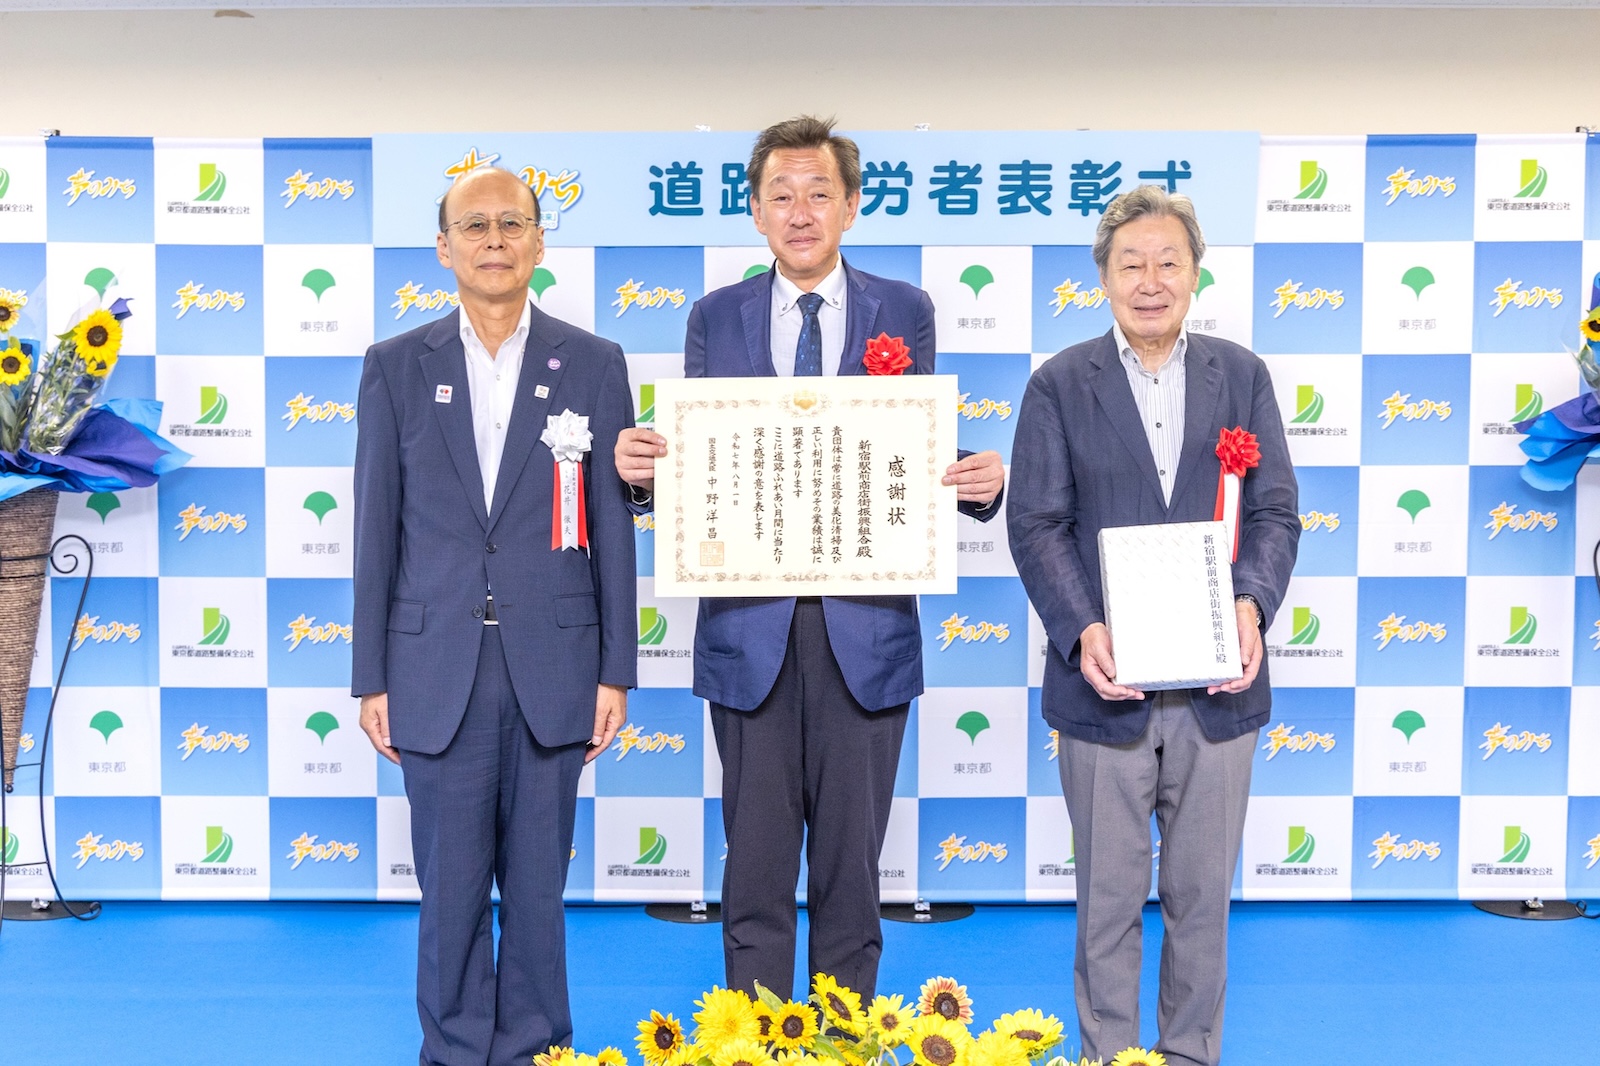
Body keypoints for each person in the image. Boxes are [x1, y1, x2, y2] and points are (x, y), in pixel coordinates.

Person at [614, 116, 1005, 1003]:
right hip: (748, 633)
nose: (801, 212)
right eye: (781, 195)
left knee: (851, 874)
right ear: (755, 212)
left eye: (819, 193)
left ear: (851, 206)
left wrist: (975, 482)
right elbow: (704, 464)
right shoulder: (714, 317)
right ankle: (753, 1043)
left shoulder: (904, 310)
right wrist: (644, 478)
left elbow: (899, 453)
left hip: (865, 632)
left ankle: (843, 1040)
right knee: (753, 871)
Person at [1006, 185, 1299, 1066]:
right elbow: (1037, 523)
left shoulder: (1241, 376)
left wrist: (1250, 605)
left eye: (1169, 261)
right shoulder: (1059, 383)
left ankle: (1189, 1055)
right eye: (1130, 263)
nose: (1150, 280)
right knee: (1106, 900)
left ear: (1195, 273)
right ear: (1102, 277)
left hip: (1219, 689)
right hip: (1106, 687)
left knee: (1202, 899)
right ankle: (1109, 1055)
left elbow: (1275, 512)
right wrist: (1081, 629)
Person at [352, 166, 636, 1066]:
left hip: (554, 664)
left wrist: (616, 669)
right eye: (473, 226)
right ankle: (453, 1048)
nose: (494, 241)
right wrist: (371, 676)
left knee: (540, 890)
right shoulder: (395, 365)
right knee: (449, 892)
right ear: (443, 249)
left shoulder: (594, 362)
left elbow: (613, 531)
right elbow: (374, 529)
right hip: (434, 667)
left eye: (513, 223)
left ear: (540, 242)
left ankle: (537, 1048)